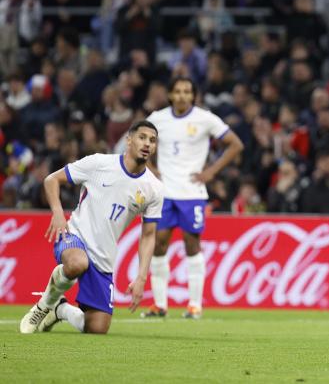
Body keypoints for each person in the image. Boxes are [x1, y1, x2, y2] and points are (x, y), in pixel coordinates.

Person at [19, 121, 164, 334]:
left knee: (97, 328)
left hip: (103, 257)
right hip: (74, 237)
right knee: (77, 263)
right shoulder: (99, 163)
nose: (147, 144)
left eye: (152, 140)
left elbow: (149, 235)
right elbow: (52, 180)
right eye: (142, 137)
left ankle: (60, 310)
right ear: (129, 140)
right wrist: (58, 214)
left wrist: (142, 277)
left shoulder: (154, 188)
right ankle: (44, 305)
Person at [143, 77, 244, 319]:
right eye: (177, 91)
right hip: (165, 192)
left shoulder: (205, 118)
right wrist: (149, 167)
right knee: (159, 244)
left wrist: (210, 172)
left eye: (187, 92)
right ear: (170, 95)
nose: (182, 96)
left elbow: (235, 144)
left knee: (191, 244)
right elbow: (136, 141)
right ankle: (160, 304)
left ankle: (195, 305)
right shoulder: (157, 118)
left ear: (193, 96)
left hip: (192, 192)